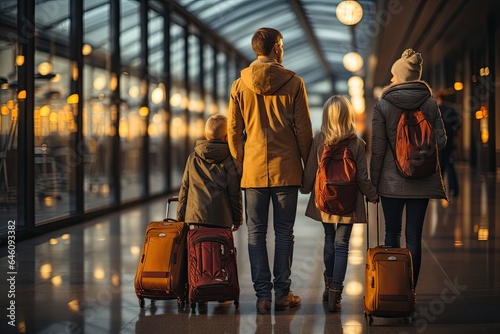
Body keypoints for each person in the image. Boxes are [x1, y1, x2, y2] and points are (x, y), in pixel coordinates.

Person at [227, 27, 313, 313]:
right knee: (284, 232)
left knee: (255, 234)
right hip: (286, 168)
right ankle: (283, 294)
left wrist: (242, 161)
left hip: (253, 170)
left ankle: (263, 296)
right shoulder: (295, 83)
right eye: (283, 44)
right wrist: (306, 166)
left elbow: (233, 131)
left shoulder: (240, 85)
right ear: (276, 47)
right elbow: (303, 131)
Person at [370, 49, 447, 289]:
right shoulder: (431, 104)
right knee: (414, 237)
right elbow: (442, 141)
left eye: (394, 75)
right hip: (422, 181)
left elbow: (378, 150)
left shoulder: (382, 105)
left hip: (391, 184)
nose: (391, 80)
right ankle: (409, 292)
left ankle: (392, 291)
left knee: (392, 233)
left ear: (401, 76)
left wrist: (373, 184)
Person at [301, 95, 378, 312]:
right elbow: (362, 176)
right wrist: (372, 194)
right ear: (348, 116)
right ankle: (336, 293)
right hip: (349, 201)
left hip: (324, 199)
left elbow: (310, 170)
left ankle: (328, 285)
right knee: (342, 244)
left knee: (329, 238)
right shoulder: (356, 143)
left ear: (327, 116)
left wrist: (305, 188)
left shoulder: (319, 140)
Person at [177, 114, 243, 231]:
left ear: (205, 135)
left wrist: (180, 217)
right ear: (227, 137)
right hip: (222, 220)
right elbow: (234, 193)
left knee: (197, 248)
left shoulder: (192, 158)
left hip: (195, 219)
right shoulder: (229, 160)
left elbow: (185, 188)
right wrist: (237, 219)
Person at [436, 90, 461, 198]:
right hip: (449, 142)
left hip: (438, 143)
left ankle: (439, 189)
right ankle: (453, 189)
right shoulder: (451, 109)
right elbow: (458, 124)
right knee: (450, 165)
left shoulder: (437, 109)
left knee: (439, 166)